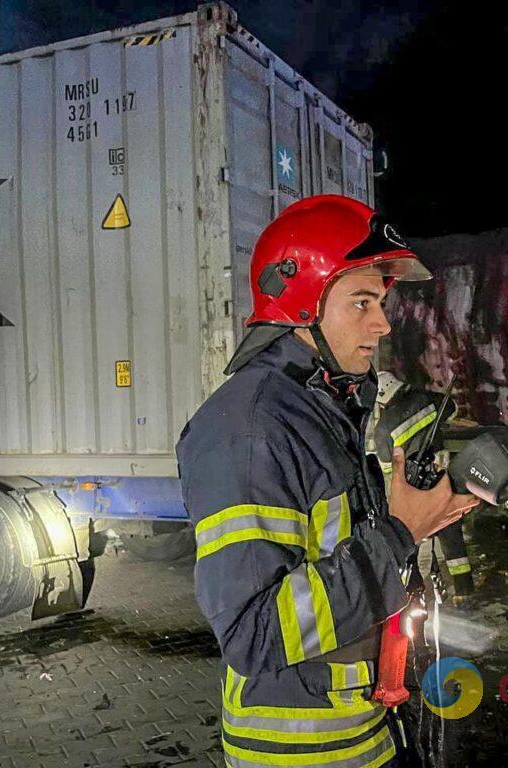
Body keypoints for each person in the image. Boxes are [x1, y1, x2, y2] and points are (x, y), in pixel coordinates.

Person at [176, 195, 478, 768]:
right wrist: (396, 535)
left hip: (360, 731)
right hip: (300, 750)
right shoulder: (251, 429)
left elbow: (338, 552)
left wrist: (422, 518)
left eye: (381, 302)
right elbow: (254, 633)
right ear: (300, 307)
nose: (383, 323)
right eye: (361, 302)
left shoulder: (321, 408)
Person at [372, 372, 475, 598]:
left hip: (412, 485)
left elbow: (387, 470)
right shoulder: (427, 399)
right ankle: (463, 588)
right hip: (441, 475)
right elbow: (453, 409)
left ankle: (413, 590)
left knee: (411, 538)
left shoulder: (383, 428)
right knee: (451, 531)